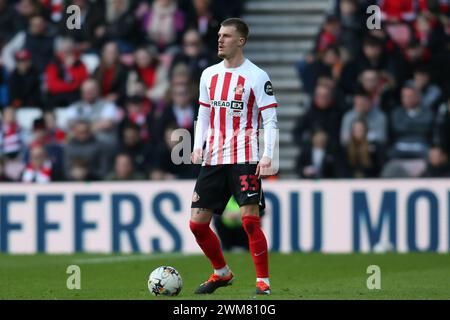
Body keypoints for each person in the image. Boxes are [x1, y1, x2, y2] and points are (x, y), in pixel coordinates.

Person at [189, 18, 277, 295]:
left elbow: (270, 120)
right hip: (213, 157)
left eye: (226, 36)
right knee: (197, 225)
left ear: (241, 41)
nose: (220, 40)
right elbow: (203, 113)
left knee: (250, 220)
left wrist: (267, 155)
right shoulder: (208, 74)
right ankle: (221, 273)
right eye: (219, 35)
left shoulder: (257, 76)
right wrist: (197, 144)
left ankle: (263, 281)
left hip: (246, 156)